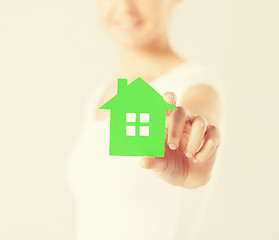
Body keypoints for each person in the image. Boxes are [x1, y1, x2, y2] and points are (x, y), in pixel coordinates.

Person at [65, 0, 227, 239]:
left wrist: (195, 147)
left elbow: (199, 116)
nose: (124, 5)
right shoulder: (99, 95)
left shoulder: (196, 87)